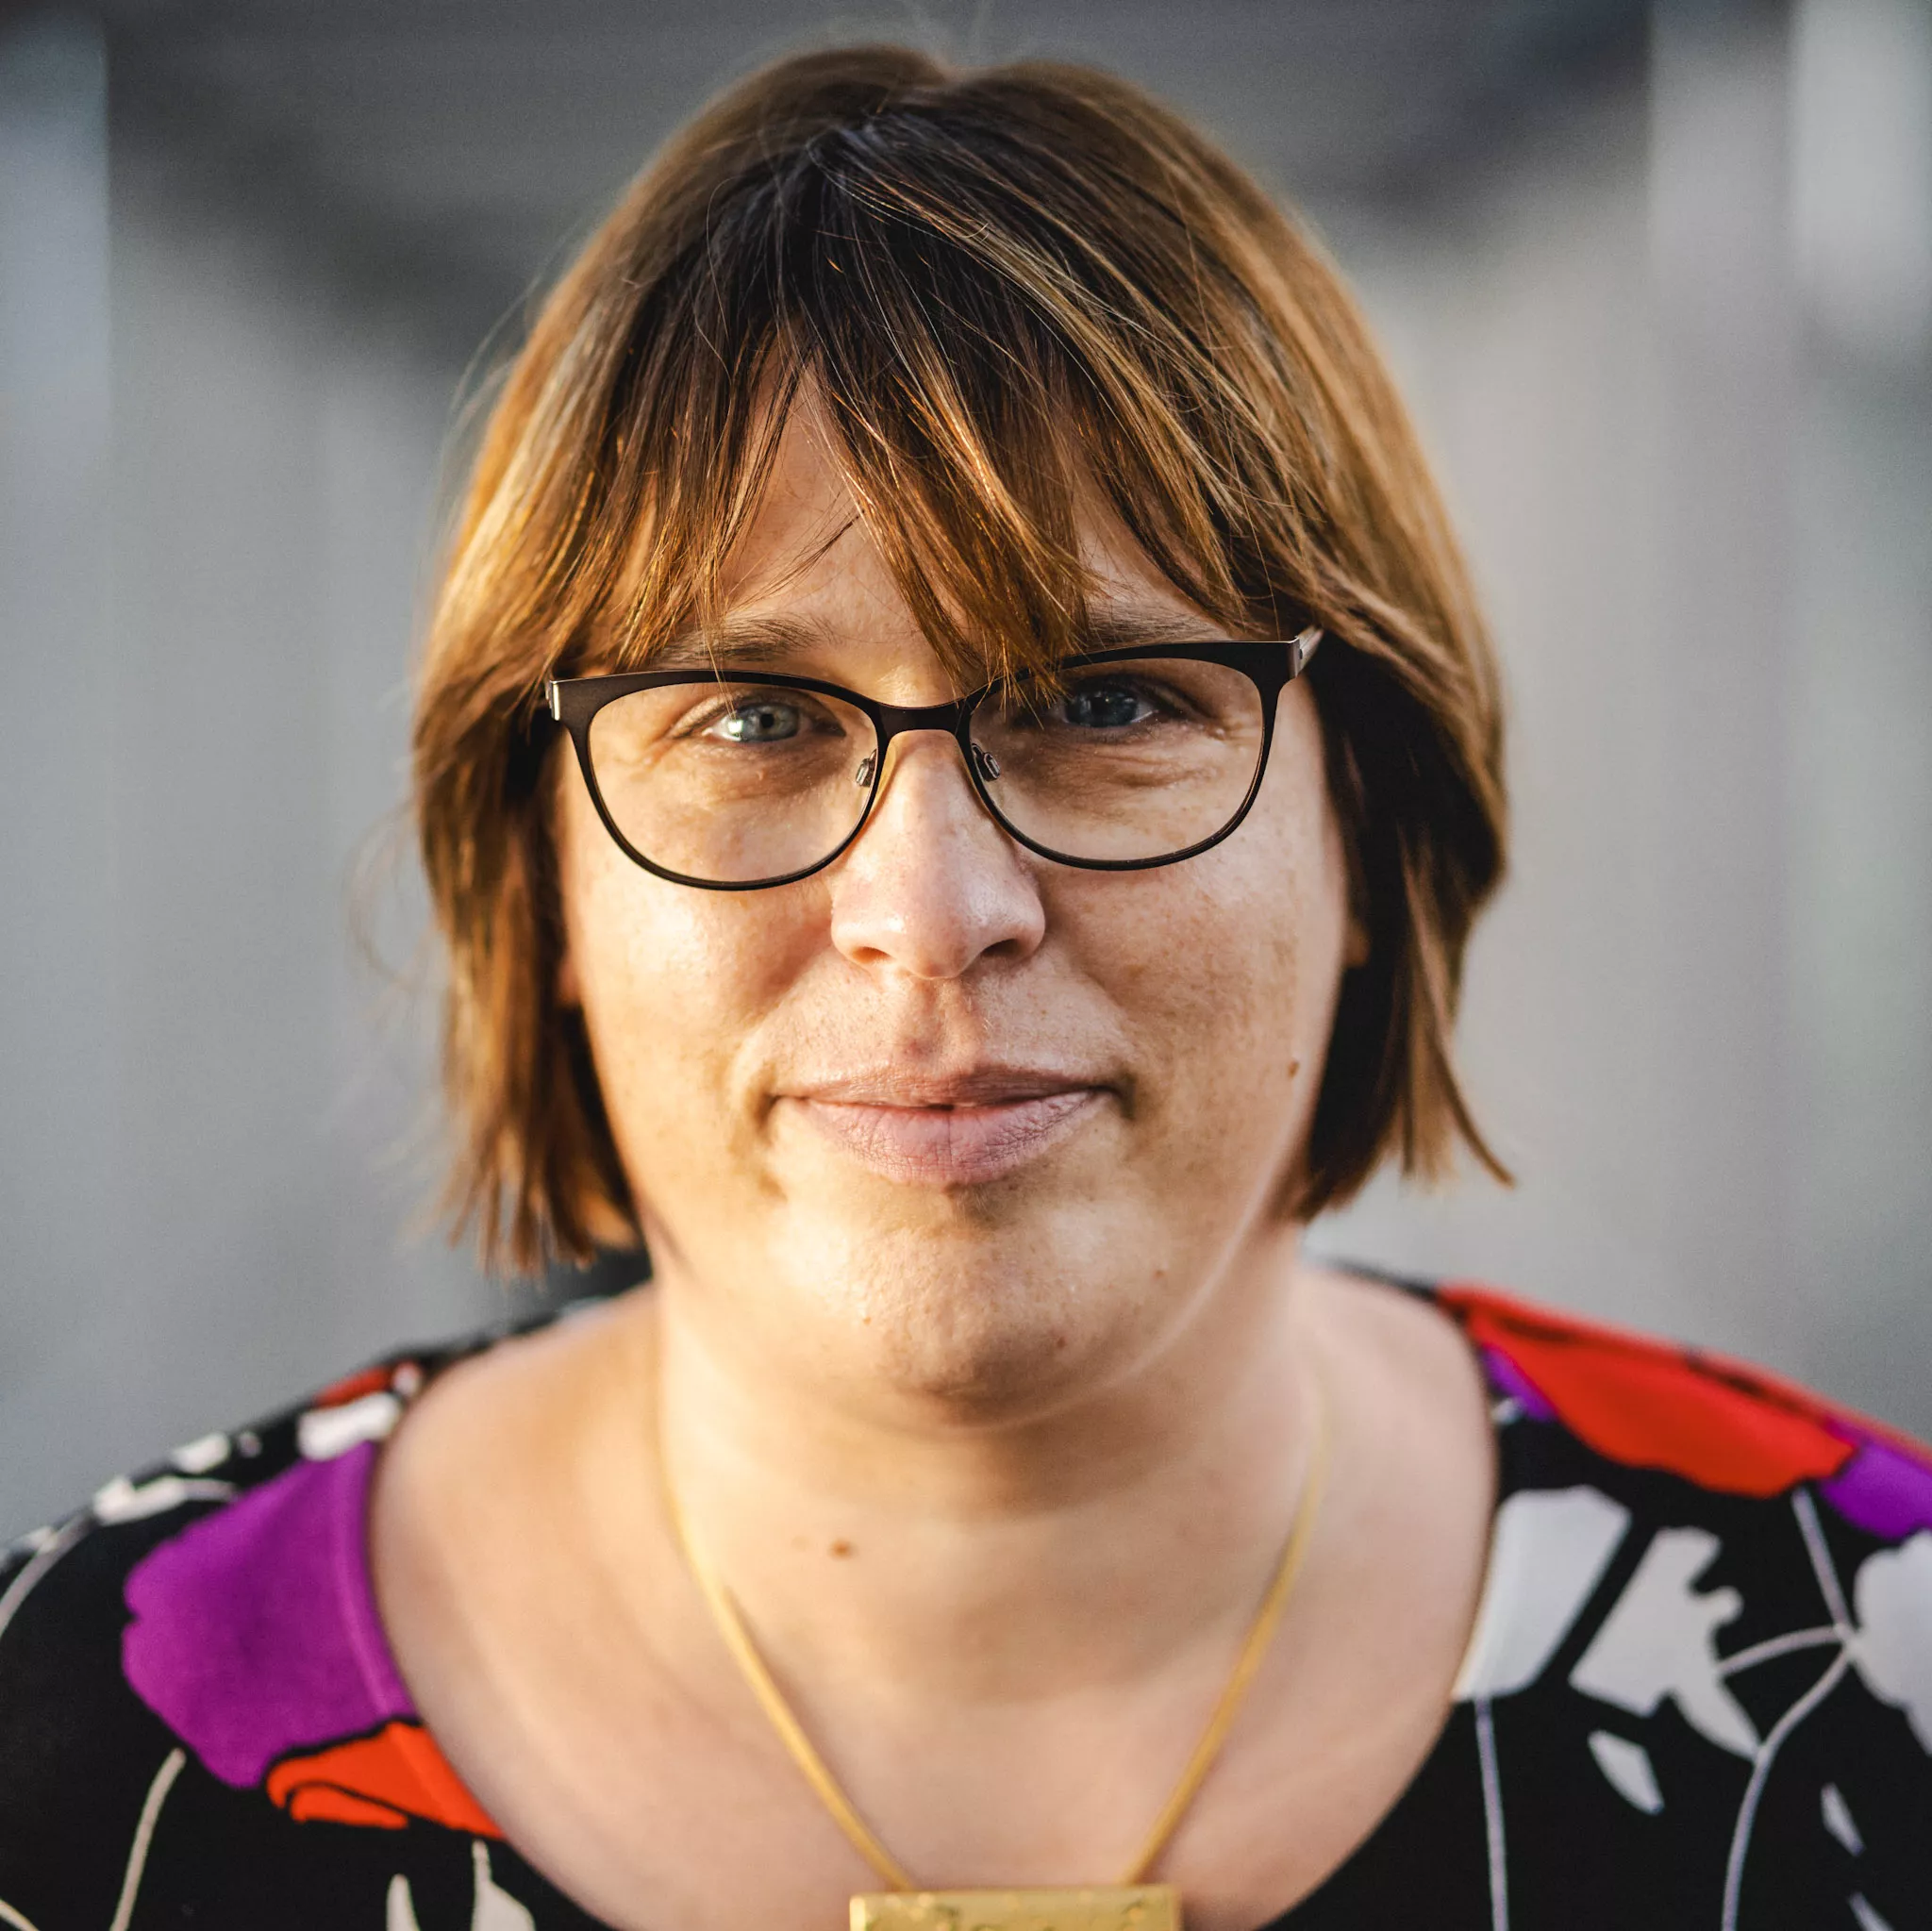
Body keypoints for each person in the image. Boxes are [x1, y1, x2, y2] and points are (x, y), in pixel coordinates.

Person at [2, 44, 1928, 1931]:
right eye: (749, 717)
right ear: (542, 878)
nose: (931, 910)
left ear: (1371, 819)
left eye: (1109, 700)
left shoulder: (1873, 1661)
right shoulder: (66, 1760)